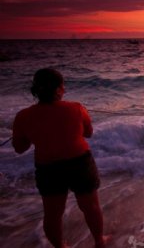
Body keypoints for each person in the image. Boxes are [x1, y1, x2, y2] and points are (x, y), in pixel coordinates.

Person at [12, 68, 107, 248]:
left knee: (53, 214)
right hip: (80, 163)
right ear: (60, 89)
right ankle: (99, 242)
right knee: (91, 208)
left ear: (35, 89)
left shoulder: (23, 116)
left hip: (48, 169)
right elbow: (88, 133)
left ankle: (60, 247)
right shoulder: (77, 108)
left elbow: (19, 148)